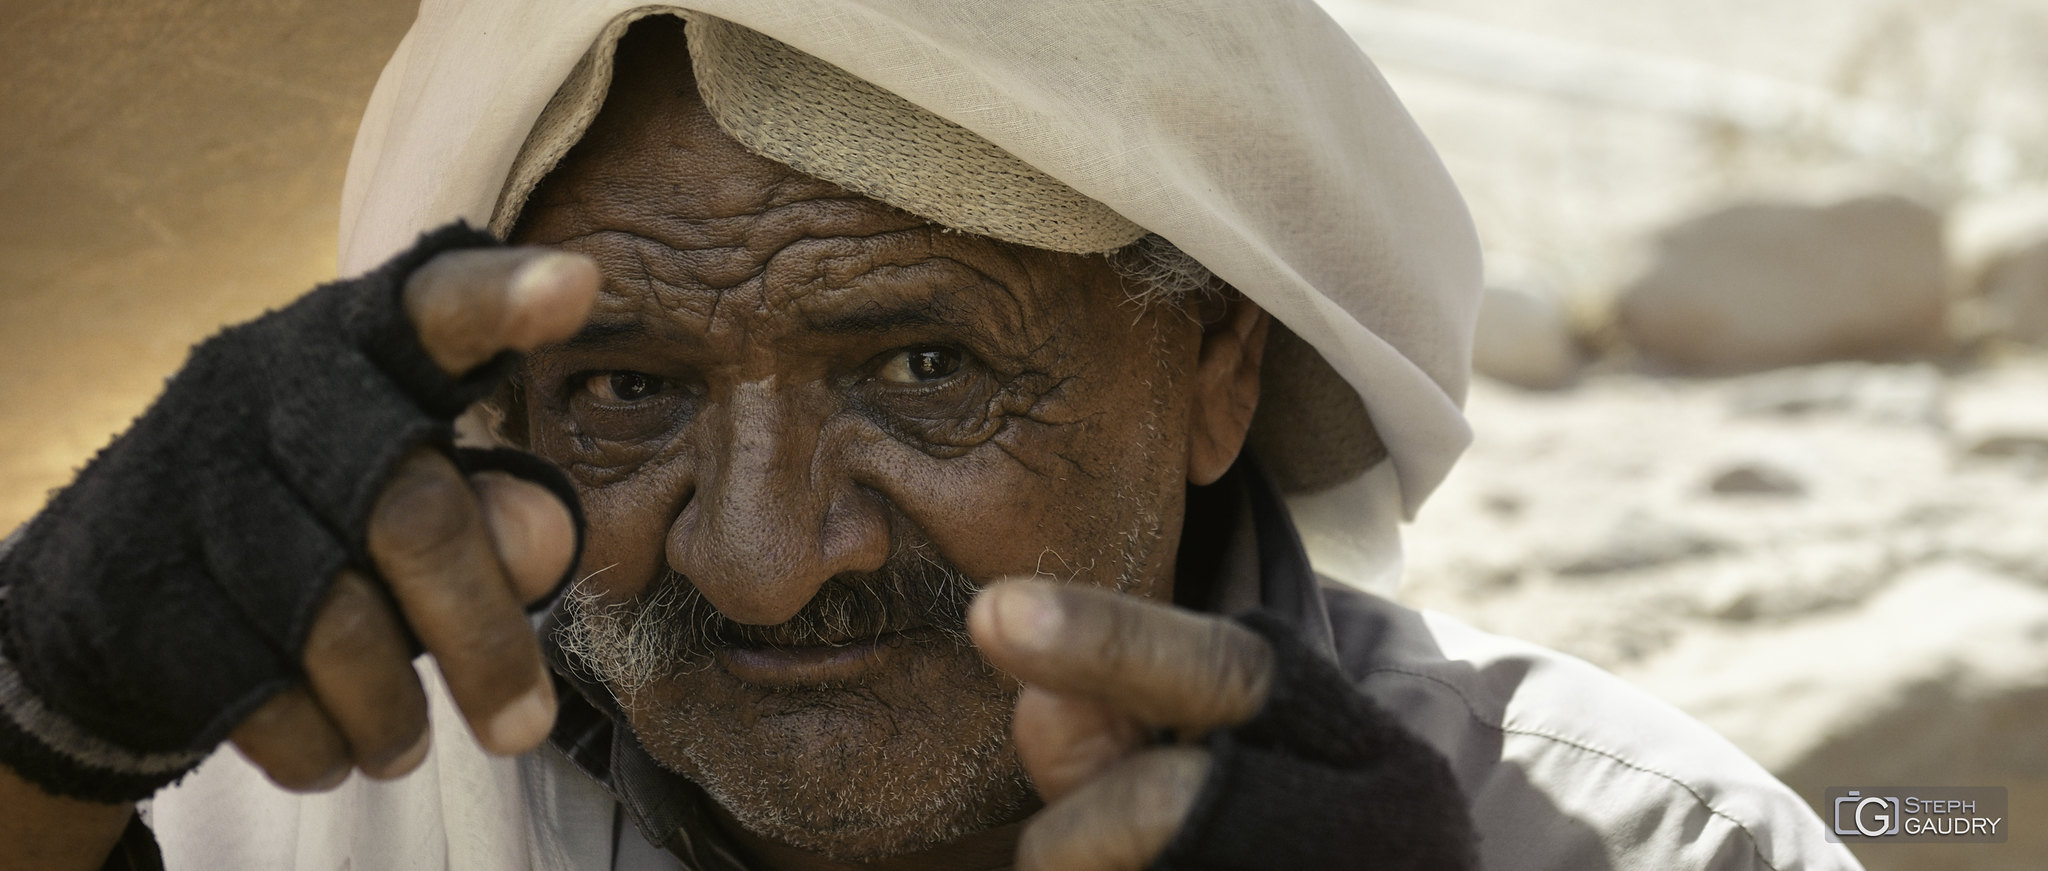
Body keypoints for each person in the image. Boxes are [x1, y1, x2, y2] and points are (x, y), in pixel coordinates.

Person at [0, 3, 1863, 870]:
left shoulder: (1624, 848)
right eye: (626, 394)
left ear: (1216, 365)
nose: (763, 554)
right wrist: (39, 735)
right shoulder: (259, 813)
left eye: (919, 371)